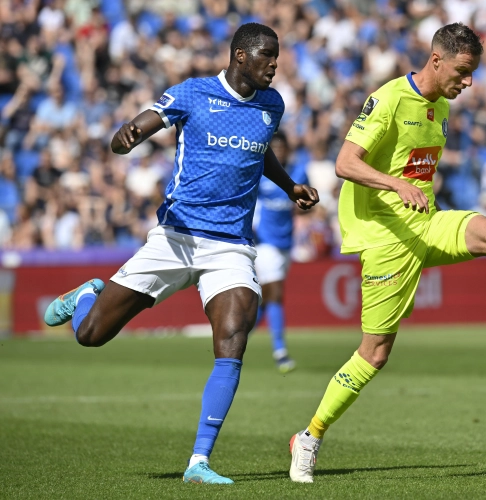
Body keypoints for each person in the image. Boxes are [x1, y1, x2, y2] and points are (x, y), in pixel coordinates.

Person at [287, 23, 486, 484]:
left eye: (473, 73)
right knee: (375, 354)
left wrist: (411, 187)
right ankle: (310, 436)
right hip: (386, 239)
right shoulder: (389, 100)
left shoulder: (440, 106)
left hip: (426, 224)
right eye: (463, 71)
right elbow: (345, 163)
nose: (469, 82)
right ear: (436, 60)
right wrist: (396, 183)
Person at [42, 23, 319, 485]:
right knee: (90, 336)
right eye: (267, 55)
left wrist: (289, 186)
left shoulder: (273, 105)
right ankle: (89, 294)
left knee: (235, 332)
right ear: (239, 56)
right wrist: (126, 137)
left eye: (278, 55)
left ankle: (199, 462)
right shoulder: (193, 93)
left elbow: (258, 152)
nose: (276, 63)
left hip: (230, 245)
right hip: (176, 237)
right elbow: (136, 127)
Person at [253, 130, 307, 373]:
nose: (280, 151)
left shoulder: (297, 173)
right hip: (264, 242)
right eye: (275, 148)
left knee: (265, 300)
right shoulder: (261, 173)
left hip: (286, 243)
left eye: (283, 147)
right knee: (275, 293)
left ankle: (235, 339)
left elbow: (302, 205)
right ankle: (280, 352)